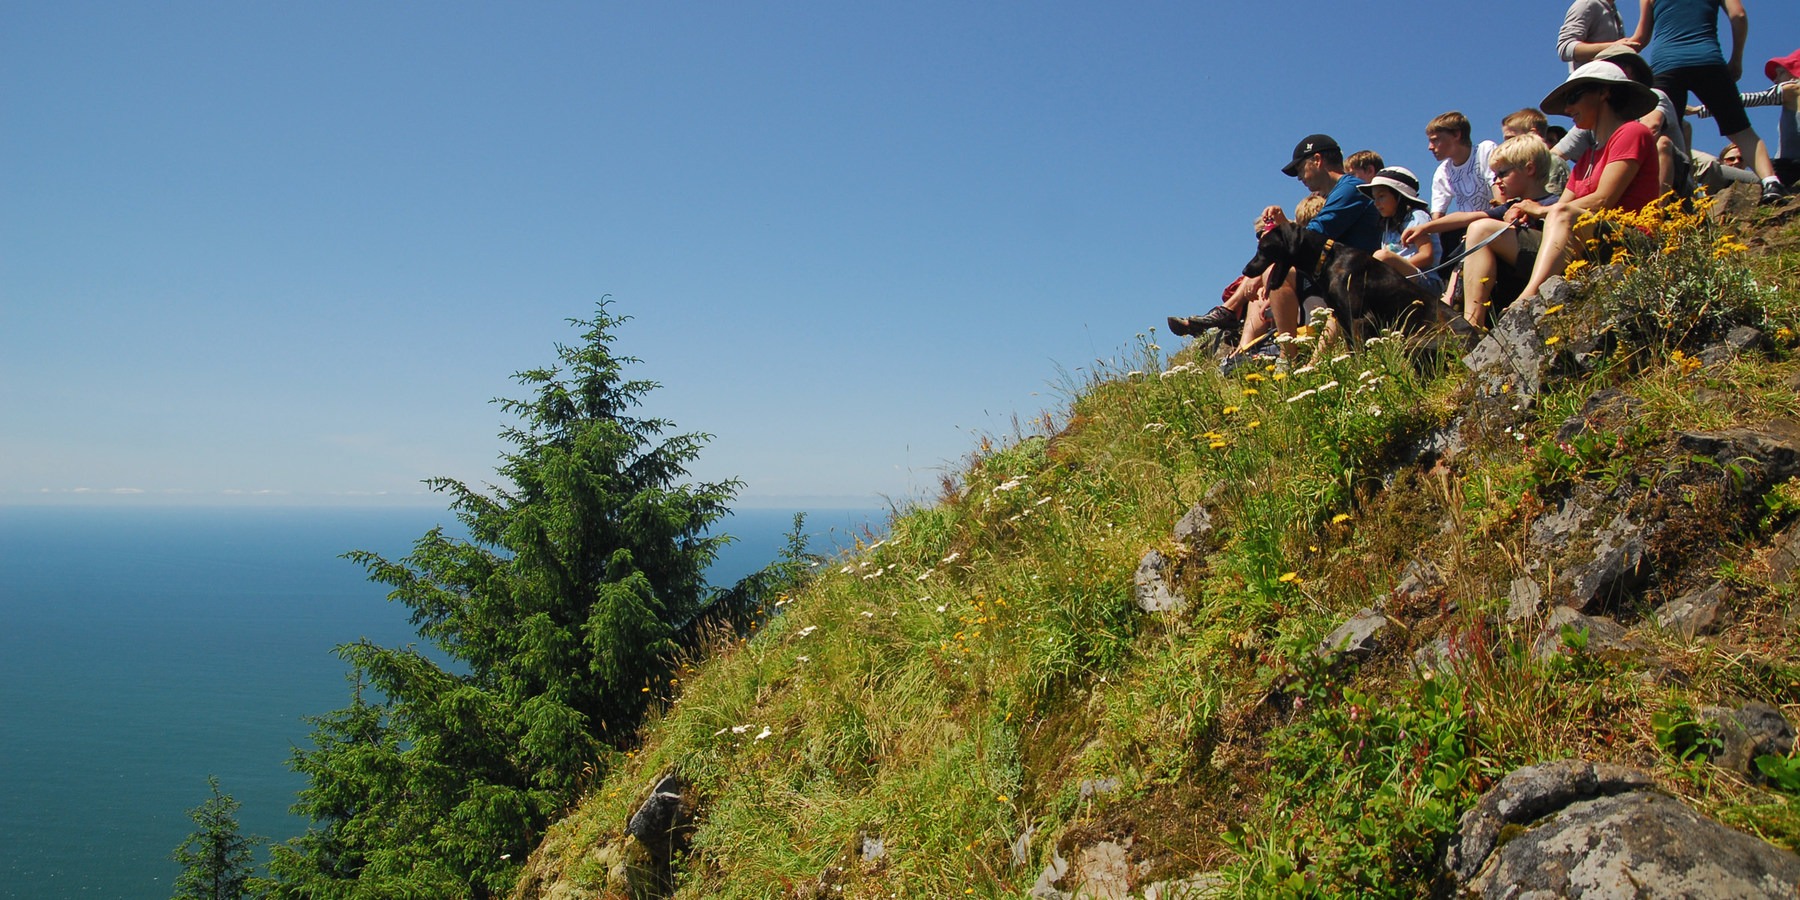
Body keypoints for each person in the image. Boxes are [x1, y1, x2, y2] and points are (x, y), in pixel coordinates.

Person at [1517, 57, 1665, 303]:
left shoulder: (1632, 132)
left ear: (1604, 92)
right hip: (1591, 237)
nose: (1567, 109)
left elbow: (1604, 199)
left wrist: (1539, 210)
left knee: (1562, 214)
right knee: (1483, 229)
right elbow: (1561, 207)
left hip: (1629, 241)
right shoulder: (1587, 157)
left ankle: (1527, 299)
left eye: (1573, 97)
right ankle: (1473, 319)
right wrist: (1529, 212)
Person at [1627, 0, 1786, 202]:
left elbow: (1640, 39)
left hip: (1666, 64)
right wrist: (1736, 59)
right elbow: (1739, 16)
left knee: (1656, 130)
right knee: (1740, 130)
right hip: (1708, 60)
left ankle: (1660, 202)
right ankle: (1771, 182)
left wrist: (1608, 49)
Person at [1404, 136, 1562, 328]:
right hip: (1518, 266)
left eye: (1502, 173)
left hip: (1543, 263)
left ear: (1529, 169)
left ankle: (1472, 322)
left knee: (1480, 230)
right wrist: (1426, 226)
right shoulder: (1511, 206)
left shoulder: (1552, 203)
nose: (1496, 182)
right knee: (1473, 234)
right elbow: (1468, 216)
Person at [1252, 134, 1382, 361]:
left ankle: (1291, 360)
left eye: (1300, 169)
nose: (1299, 177)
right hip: (1338, 274)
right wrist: (1285, 226)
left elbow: (1312, 237)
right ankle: (1288, 358)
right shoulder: (1338, 192)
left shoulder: (1351, 188)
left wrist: (1283, 229)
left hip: (1357, 277)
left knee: (1279, 274)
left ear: (1317, 160)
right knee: (1278, 275)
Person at [1359, 167, 1443, 293]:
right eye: (1374, 198)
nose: (1376, 203)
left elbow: (1427, 255)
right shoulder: (1388, 225)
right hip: (1398, 278)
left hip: (1426, 280)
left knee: (1382, 256)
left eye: (1381, 196)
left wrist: (1392, 267)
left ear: (1399, 196)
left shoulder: (1417, 216)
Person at [1503, 109, 1572, 193]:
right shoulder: (1515, 167)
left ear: (1532, 134)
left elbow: (1552, 202)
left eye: (1511, 138)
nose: (1506, 144)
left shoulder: (1551, 162)